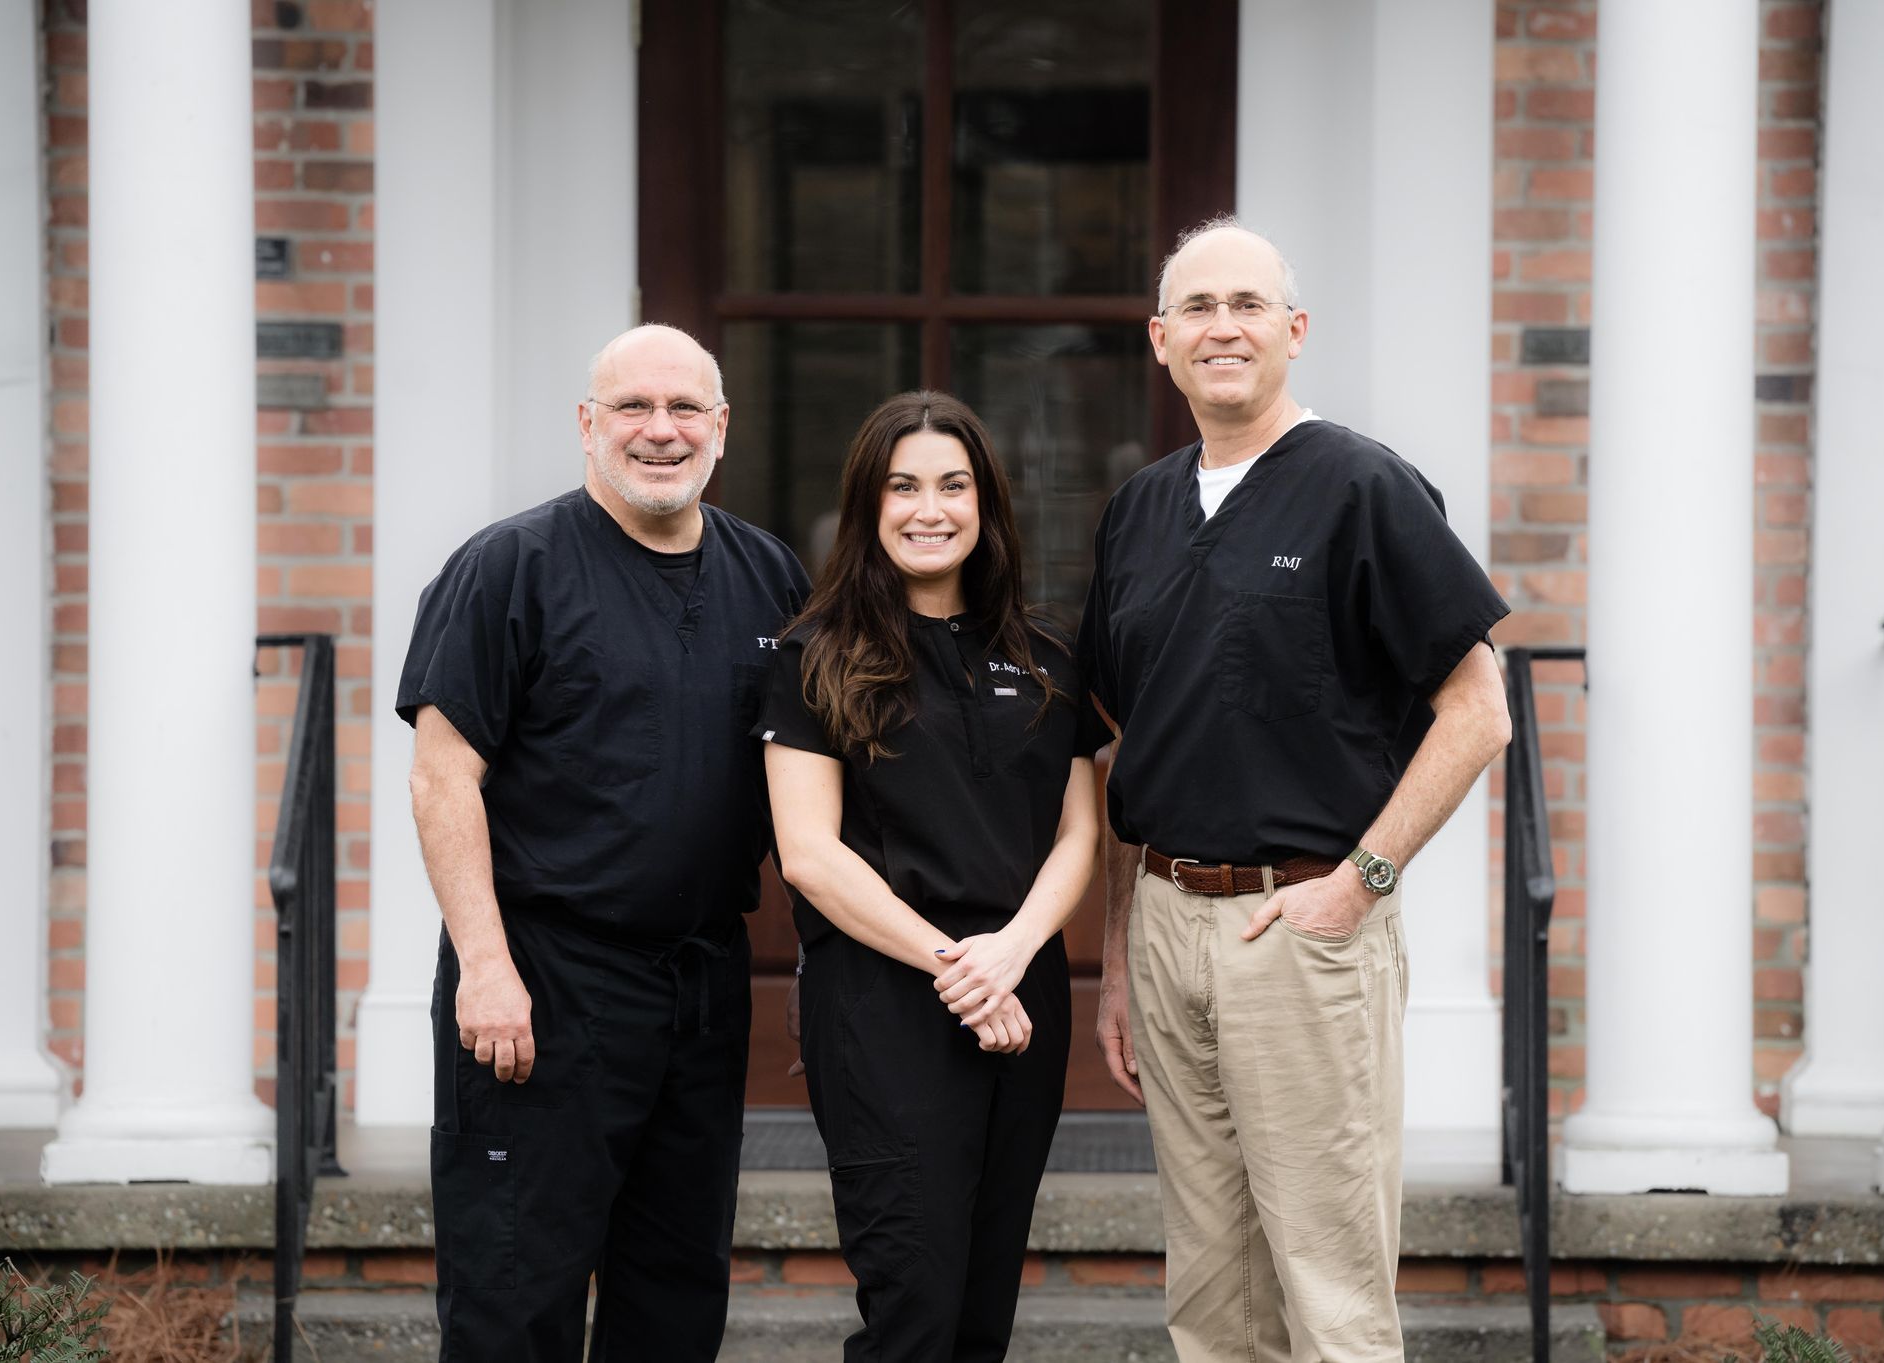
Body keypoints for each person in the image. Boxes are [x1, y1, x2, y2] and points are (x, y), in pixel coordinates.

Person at [1078, 218, 1514, 1363]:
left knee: (1327, 1288)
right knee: (1213, 1291)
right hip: (1169, 923)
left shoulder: (1362, 486)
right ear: (1161, 340)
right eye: (1199, 308)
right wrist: (1122, 955)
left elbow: (1480, 711)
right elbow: (1124, 743)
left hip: (1305, 926)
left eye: (1249, 305)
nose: (1224, 326)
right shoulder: (1139, 511)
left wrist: (1360, 884)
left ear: (1294, 331)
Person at [397, 324, 810, 1362]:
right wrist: (484, 968)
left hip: (703, 984)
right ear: (588, 426)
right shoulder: (508, 569)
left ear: (722, 429)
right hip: (543, 985)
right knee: (513, 1297)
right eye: (633, 408)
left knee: (674, 1300)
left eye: (684, 411)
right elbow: (443, 778)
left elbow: (813, 785)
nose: (659, 432)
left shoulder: (770, 577)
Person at [755, 391, 1108, 1362]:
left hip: (1021, 991)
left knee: (980, 1311)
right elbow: (811, 856)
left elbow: (1080, 833)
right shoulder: (812, 655)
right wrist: (959, 965)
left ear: (987, 505)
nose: (929, 508)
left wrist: (1014, 951)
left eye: (953, 485)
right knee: (912, 1306)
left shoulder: (1045, 656)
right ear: (868, 505)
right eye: (903, 486)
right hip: (887, 999)